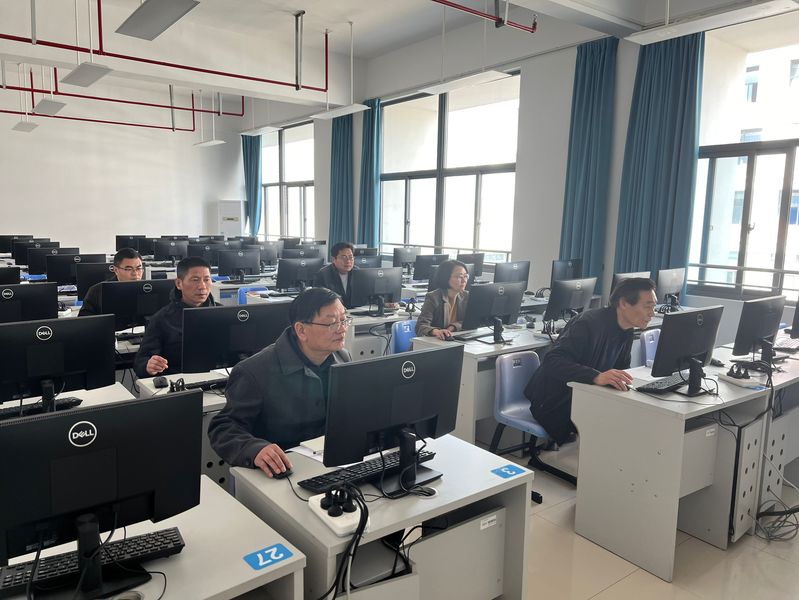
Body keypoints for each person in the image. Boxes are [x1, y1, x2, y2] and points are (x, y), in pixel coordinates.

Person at [208, 287, 352, 477]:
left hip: (329, 464)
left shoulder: (342, 357)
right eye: (332, 323)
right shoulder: (254, 371)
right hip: (283, 469)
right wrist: (255, 449)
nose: (342, 329)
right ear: (301, 330)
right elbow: (223, 427)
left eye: (344, 320)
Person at [524, 277, 657, 446]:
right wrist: (596, 376)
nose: (652, 313)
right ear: (623, 303)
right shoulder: (588, 323)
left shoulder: (627, 330)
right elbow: (552, 361)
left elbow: (622, 369)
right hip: (553, 399)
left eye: (654, 307)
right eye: (647, 306)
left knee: (636, 415)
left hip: (587, 394)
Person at [133, 256, 218, 378]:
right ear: (179, 283)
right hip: (179, 382)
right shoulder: (162, 319)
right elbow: (141, 361)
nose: (202, 286)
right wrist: (149, 366)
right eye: (195, 280)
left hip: (218, 379)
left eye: (207, 279)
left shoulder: (221, 313)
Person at [78, 247, 143, 316]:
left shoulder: (147, 290)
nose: (135, 273)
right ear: (116, 270)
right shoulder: (97, 291)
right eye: (129, 269)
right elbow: (84, 319)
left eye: (138, 268)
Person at [415, 260, 470, 340]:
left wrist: (453, 327)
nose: (464, 280)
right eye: (459, 276)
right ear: (446, 277)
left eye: (465, 276)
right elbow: (421, 326)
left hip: (453, 340)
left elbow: (469, 321)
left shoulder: (466, 296)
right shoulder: (433, 297)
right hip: (431, 343)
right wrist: (436, 331)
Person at [313, 242, 359, 308]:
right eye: (344, 258)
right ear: (334, 259)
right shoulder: (323, 275)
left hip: (356, 311)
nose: (348, 261)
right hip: (332, 311)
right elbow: (318, 300)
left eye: (351, 257)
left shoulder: (358, 273)